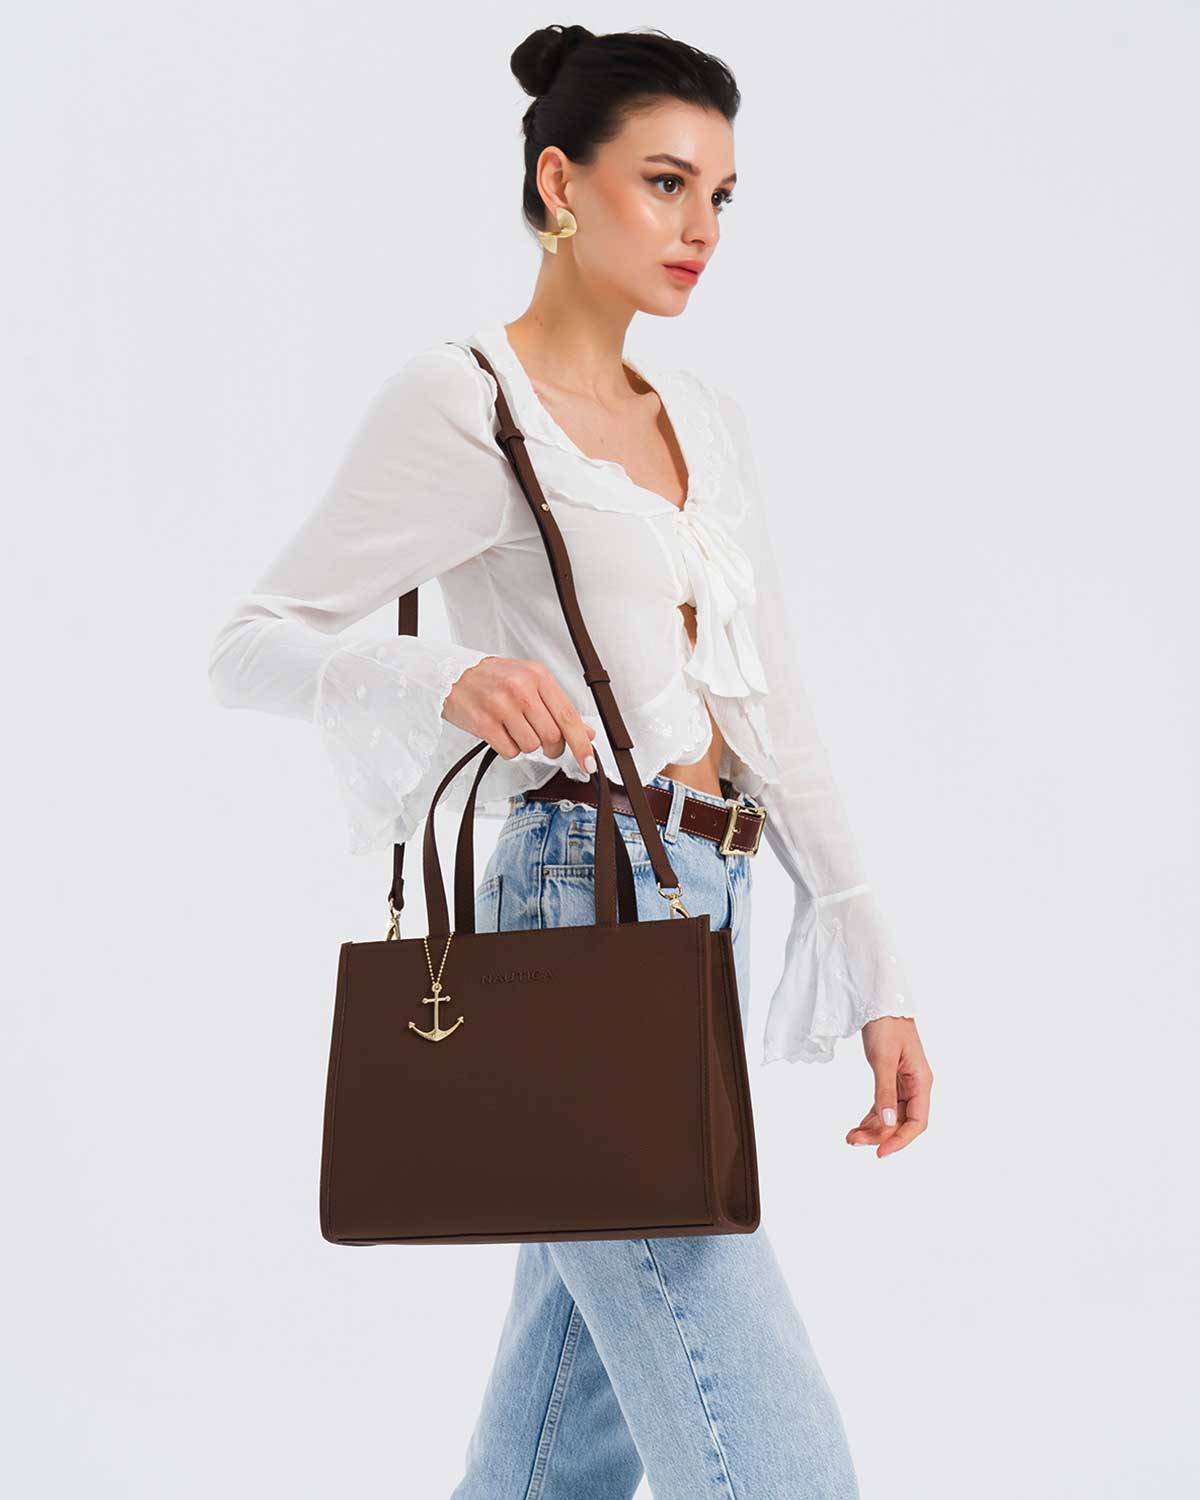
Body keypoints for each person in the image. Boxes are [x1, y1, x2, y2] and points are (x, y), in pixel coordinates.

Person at [208, 22, 934, 1498]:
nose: (700, 226)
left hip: (704, 907)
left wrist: (876, 971)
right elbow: (250, 644)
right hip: (575, 897)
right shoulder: (467, 399)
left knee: (564, 1424)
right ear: (559, 181)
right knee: (772, 1446)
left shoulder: (703, 422)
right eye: (665, 183)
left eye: (721, 194)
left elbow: (777, 712)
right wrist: (449, 674)